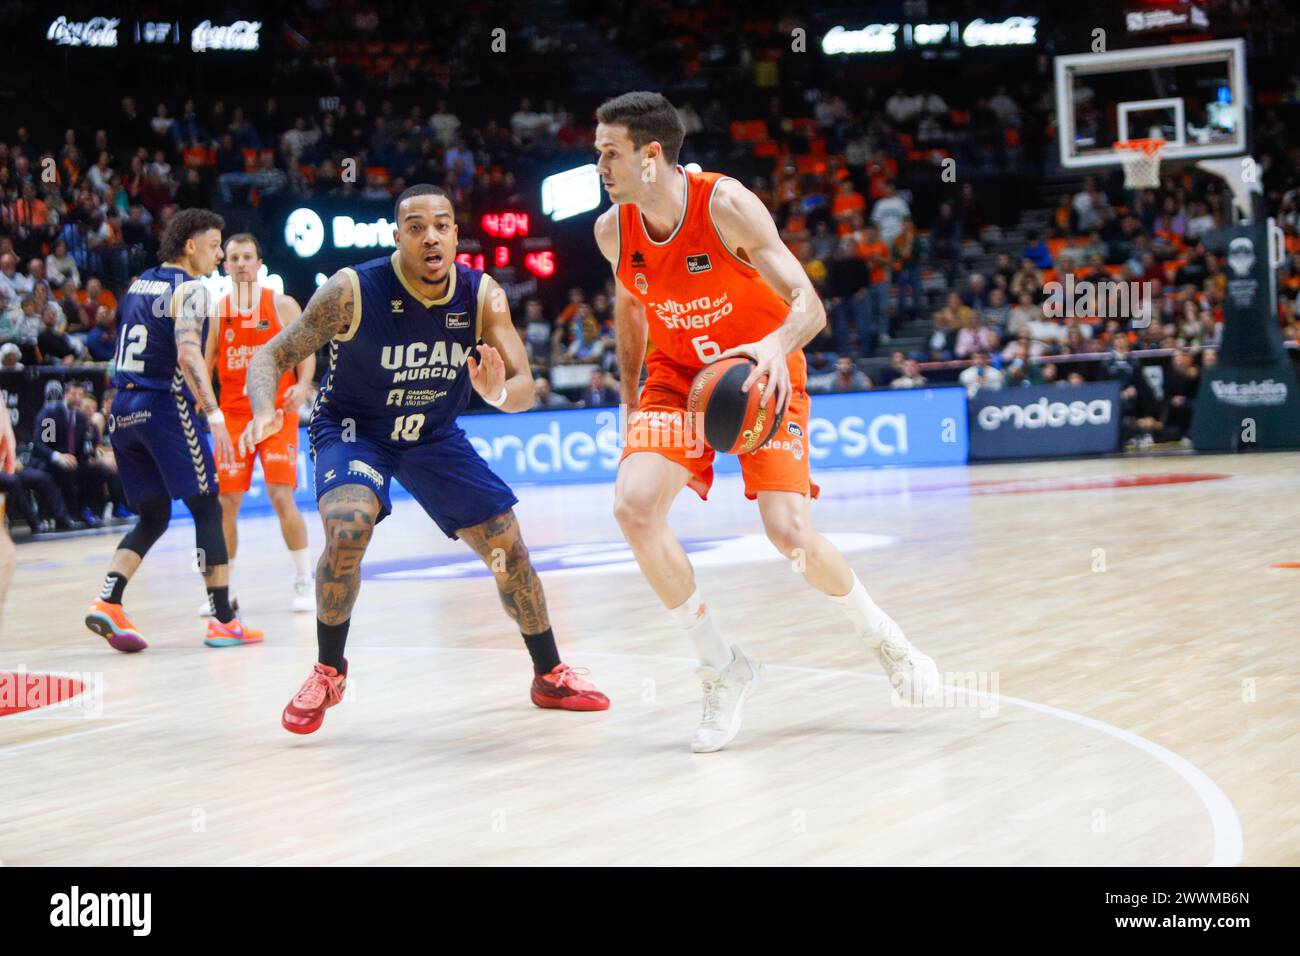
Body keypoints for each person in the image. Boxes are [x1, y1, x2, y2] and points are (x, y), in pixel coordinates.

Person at [592, 92, 939, 753]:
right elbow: (632, 312)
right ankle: (721, 667)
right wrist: (633, 403)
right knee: (634, 509)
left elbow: (809, 303)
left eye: (611, 152)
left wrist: (777, 346)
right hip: (674, 380)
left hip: (760, 373)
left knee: (790, 533)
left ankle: (883, 637)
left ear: (652, 154)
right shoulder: (613, 230)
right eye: (599, 152)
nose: (601, 164)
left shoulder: (725, 206)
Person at [241, 184, 609, 735]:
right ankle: (329, 669)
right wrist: (265, 408)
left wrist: (496, 395)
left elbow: (525, 387)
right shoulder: (351, 290)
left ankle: (548, 672)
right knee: (348, 525)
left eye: (441, 224)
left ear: (455, 234)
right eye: (416, 226)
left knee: (508, 547)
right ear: (397, 236)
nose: (430, 235)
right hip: (355, 431)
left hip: (434, 434)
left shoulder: (482, 296)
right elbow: (272, 354)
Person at [83, 208, 263, 652]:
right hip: (163, 404)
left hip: (122, 409)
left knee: (154, 515)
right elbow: (187, 354)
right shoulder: (192, 290)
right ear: (190, 245)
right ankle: (223, 618)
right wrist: (214, 412)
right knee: (206, 506)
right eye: (215, 244)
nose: (220, 255)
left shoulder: (139, 282)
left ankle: (109, 600)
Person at [201, 233, 314, 616]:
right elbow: (205, 362)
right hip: (233, 416)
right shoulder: (219, 311)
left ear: (259, 262)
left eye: (248, 256)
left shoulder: (281, 304)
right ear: (226, 264)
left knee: (281, 496)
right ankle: (221, 592)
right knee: (225, 503)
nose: (242, 263)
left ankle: (303, 580)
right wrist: (209, 407)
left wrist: (301, 383)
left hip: (275, 415)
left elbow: (306, 347)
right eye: (234, 258)